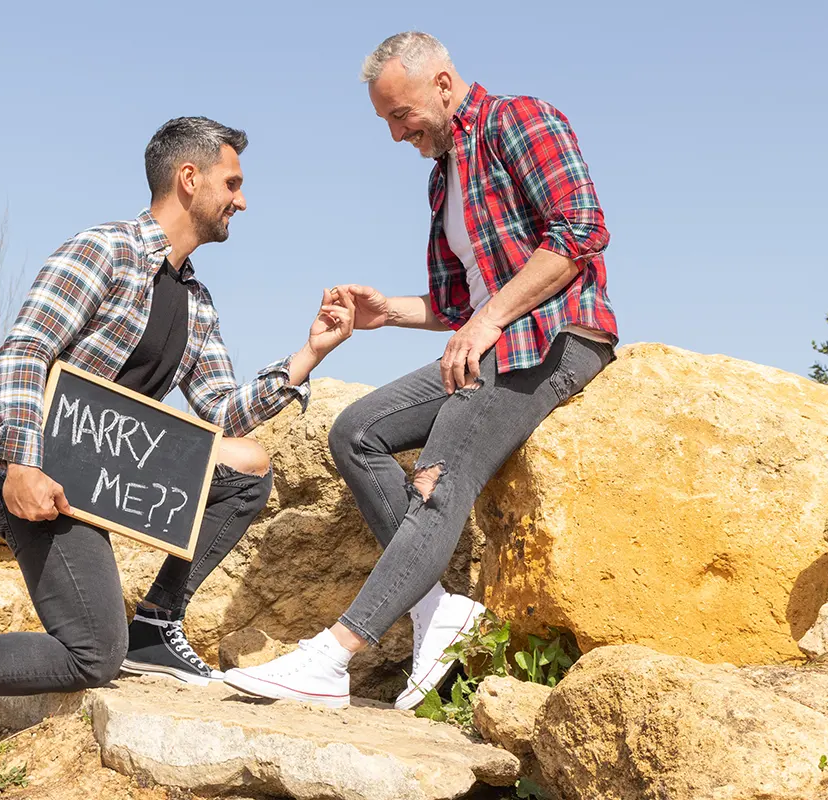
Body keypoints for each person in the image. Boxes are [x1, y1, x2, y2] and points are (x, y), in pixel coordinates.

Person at [0, 116, 355, 774]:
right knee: (90, 655)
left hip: (101, 485)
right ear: (188, 179)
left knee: (247, 469)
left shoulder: (194, 301)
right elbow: (25, 350)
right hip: (33, 478)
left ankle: (157, 625)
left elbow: (223, 415)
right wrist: (23, 463)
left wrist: (309, 352)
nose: (242, 200)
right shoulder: (104, 251)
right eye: (233, 182)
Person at [224, 32, 618, 710]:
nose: (396, 133)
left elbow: (579, 233)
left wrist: (490, 320)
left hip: (553, 341)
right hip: (492, 343)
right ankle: (438, 611)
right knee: (356, 431)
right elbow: (464, 305)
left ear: (442, 82)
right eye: (386, 120)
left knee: (439, 474)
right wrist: (390, 313)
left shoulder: (519, 120)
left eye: (400, 114)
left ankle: (335, 654)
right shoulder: (446, 175)